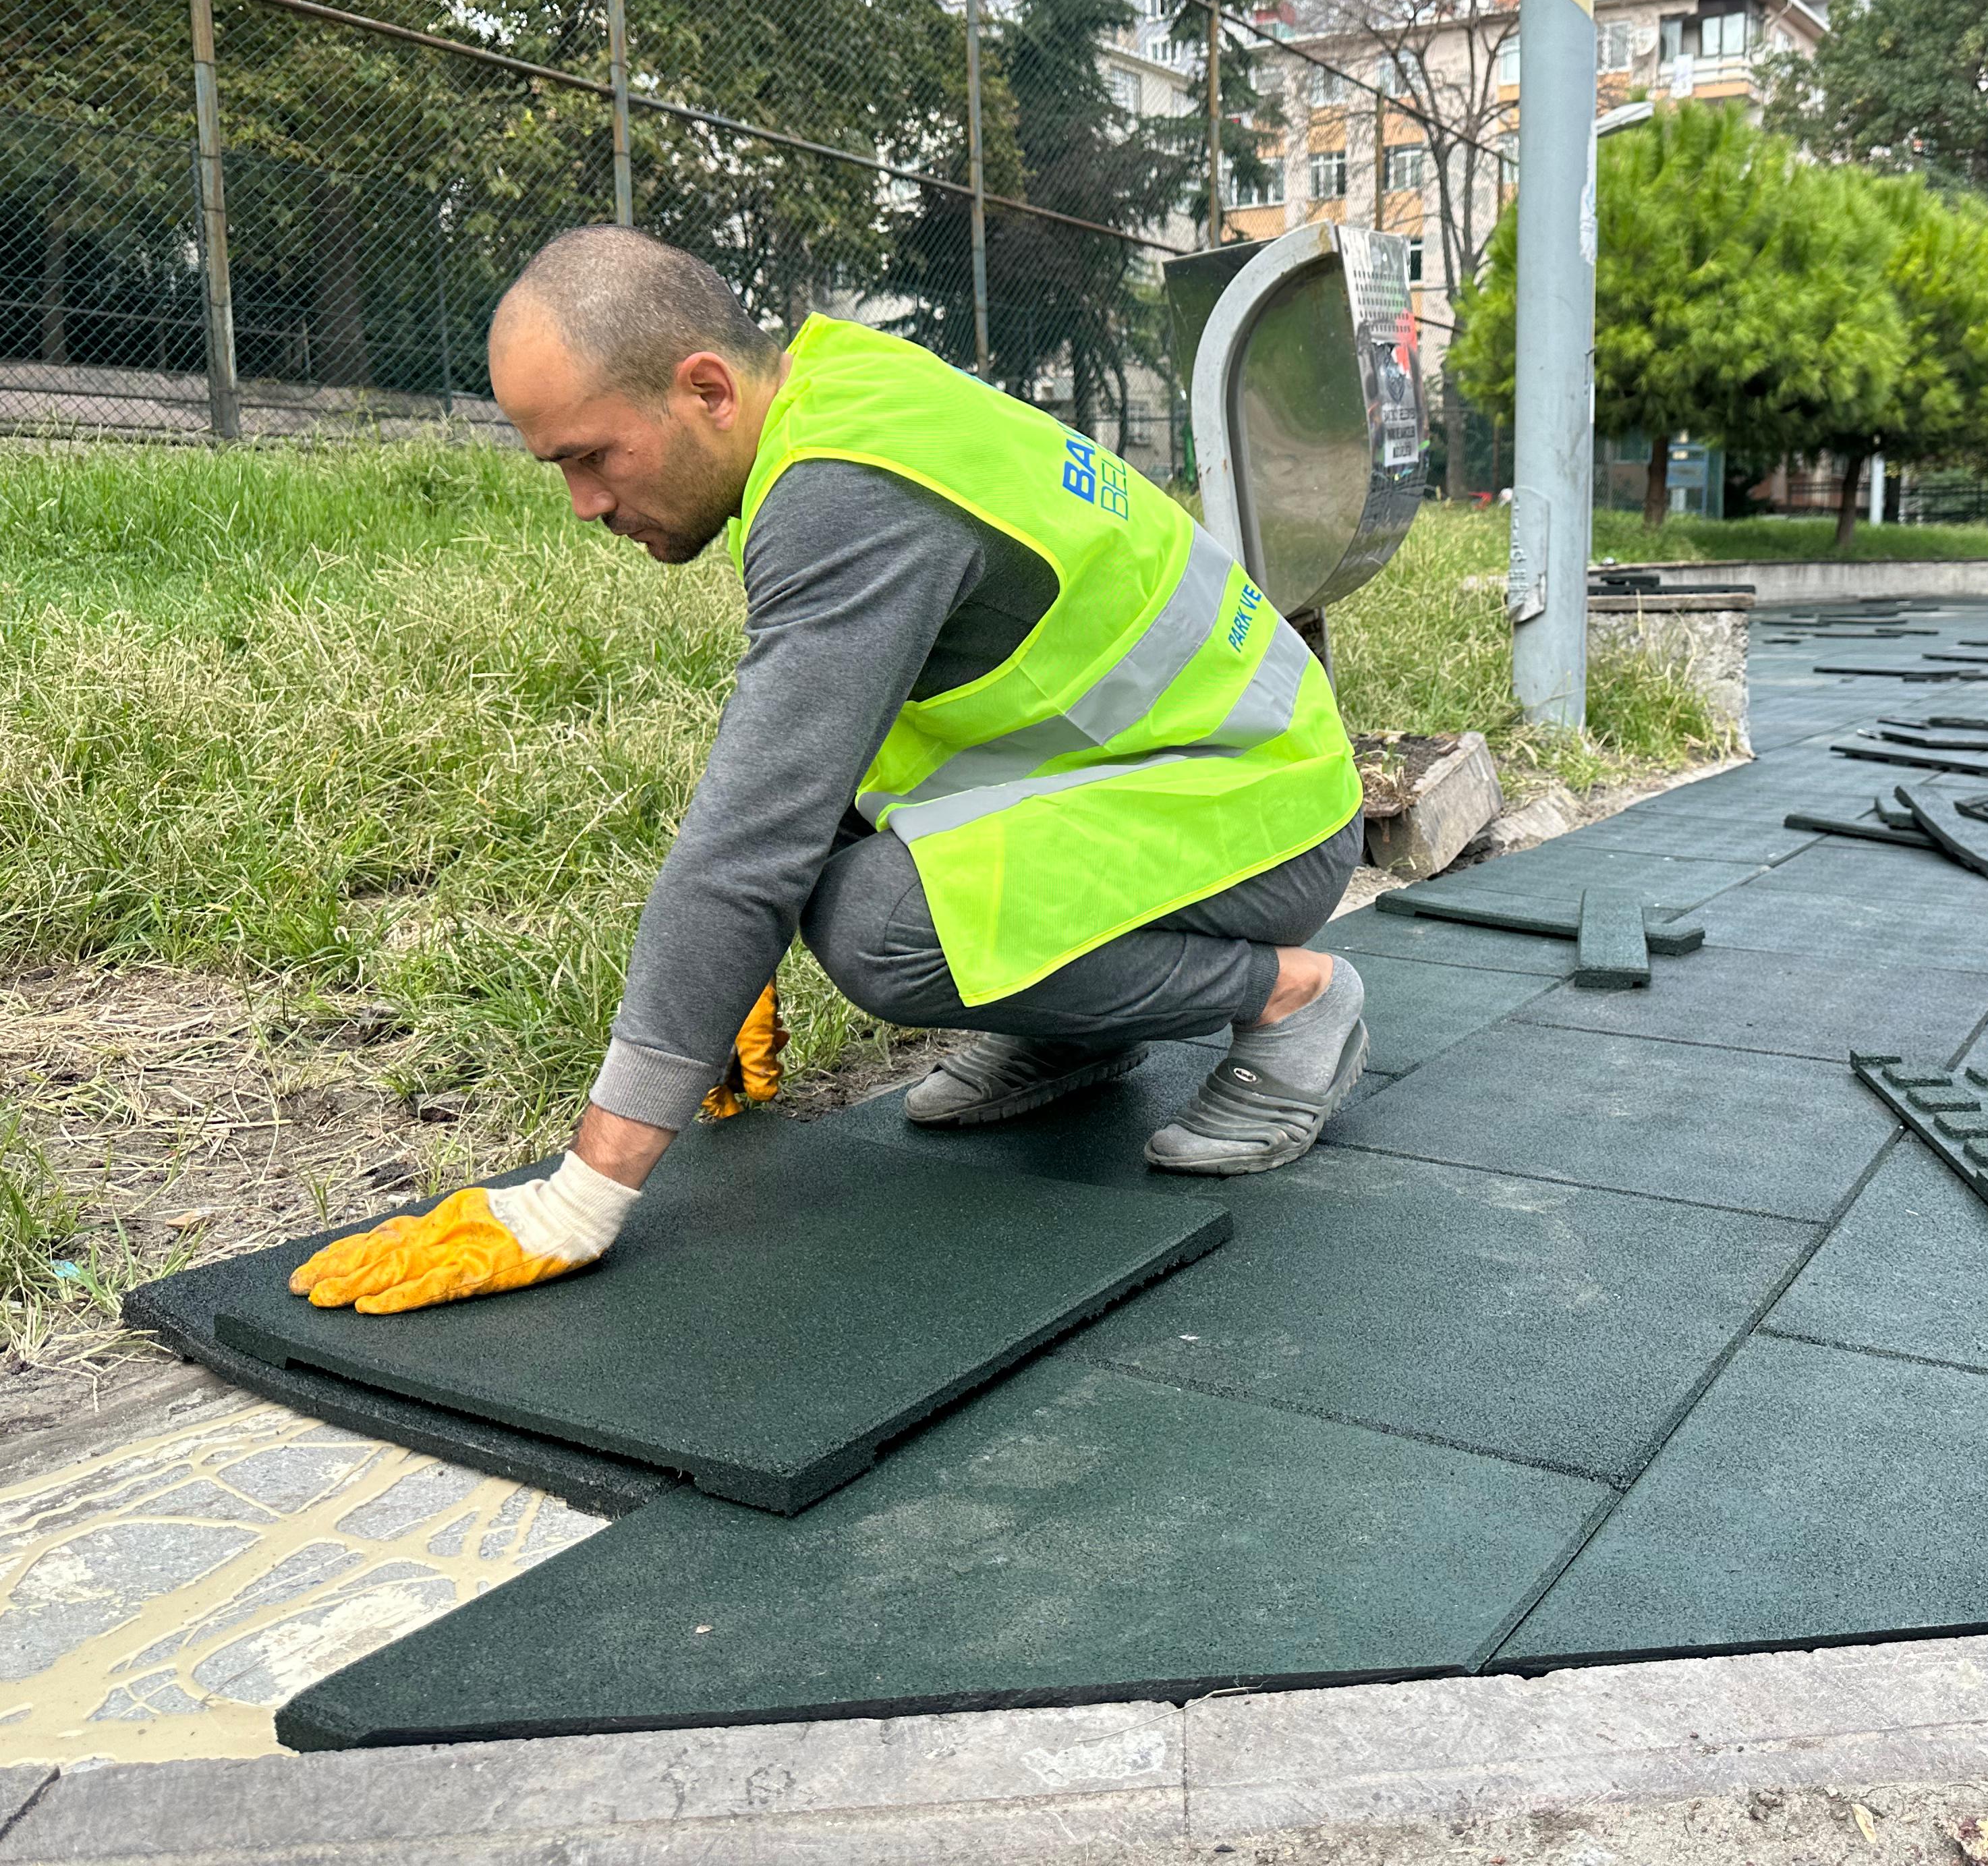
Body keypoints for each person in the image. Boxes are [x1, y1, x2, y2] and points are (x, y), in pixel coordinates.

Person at [287, 226, 1369, 1316]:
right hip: (1182, 777)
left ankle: (1289, 999)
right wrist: (727, 964)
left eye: (589, 455)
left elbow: (747, 842)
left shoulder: (847, 494)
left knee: (883, 926)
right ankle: (1075, 1025)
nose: (583, 502)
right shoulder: (838, 390)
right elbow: (818, 762)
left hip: (1260, 813)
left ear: (704, 387)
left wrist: (582, 1193)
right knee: (843, 878)